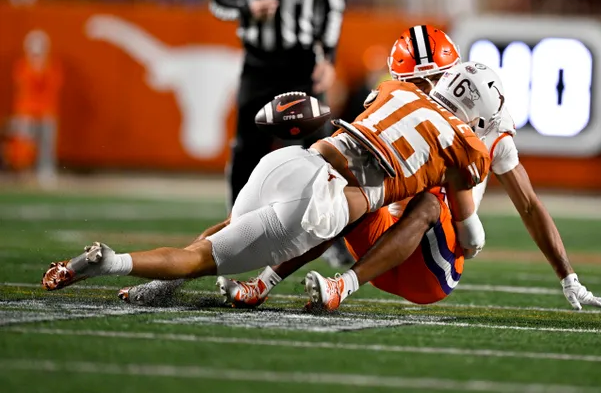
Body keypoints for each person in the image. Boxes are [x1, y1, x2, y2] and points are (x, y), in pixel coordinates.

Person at [216, 27, 601, 313]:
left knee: (426, 201)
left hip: (431, 261)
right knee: (338, 194)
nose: (424, 92)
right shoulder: (405, 102)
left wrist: (569, 277)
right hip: (380, 239)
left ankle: (342, 287)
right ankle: (261, 284)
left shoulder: (486, 129)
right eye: (416, 83)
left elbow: (521, 209)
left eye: (430, 81)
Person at [41, 49, 491, 293]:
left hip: (290, 161)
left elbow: (338, 122)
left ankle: (157, 285)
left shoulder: (392, 89)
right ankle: (115, 263)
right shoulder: (464, 143)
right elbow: (469, 237)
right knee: (206, 260)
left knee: (225, 233)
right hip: (323, 198)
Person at [209, 0, 345, 206]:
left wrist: (328, 59)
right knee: (247, 148)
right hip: (258, 64)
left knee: (319, 147)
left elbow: (333, 7)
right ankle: (238, 220)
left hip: (302, 65)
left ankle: (324, 219)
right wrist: (247, 8)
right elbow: (218, 3)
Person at [3, 30, 63, 188]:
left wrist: (42, 69)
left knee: (47, 140)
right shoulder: (22, 66)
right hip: (27, 112)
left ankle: (45, 170)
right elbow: (25, 86)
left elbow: (53, 86)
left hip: (46, 112)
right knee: (22, 140)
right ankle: (21, 170)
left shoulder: (52, 66)